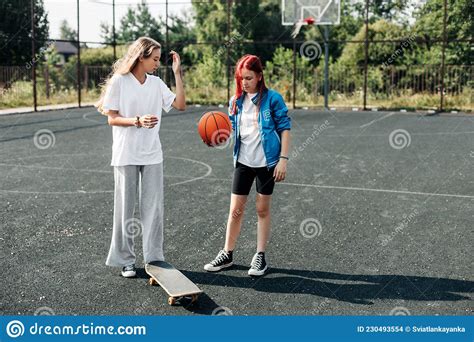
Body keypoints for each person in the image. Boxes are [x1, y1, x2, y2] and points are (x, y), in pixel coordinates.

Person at [95, 36, 185, 278]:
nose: (158, 63)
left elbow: (181, 105)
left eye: (159, 59)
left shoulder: (156, 83)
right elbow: (111, 118)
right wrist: (137, 121)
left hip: (153, 154)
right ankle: (126, 260)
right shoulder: (119, 82)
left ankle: (155, 258)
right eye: (154, 59)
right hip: (126, 154)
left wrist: (177, 73)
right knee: (125, 209)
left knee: (154, 209)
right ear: (141, 57)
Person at [204, 54, 291, 276]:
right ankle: (227, 253)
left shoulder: (273, 99)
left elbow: (285, 128)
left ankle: (260, 256)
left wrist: (283, 159)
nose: (244, 82)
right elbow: (231, 130)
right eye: (241, 78)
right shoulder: (235, 102)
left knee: (262, 210)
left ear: (260, 76)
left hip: (267, 163)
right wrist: (216, 137)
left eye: (249, 78)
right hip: (243, 161)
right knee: (235, 211)